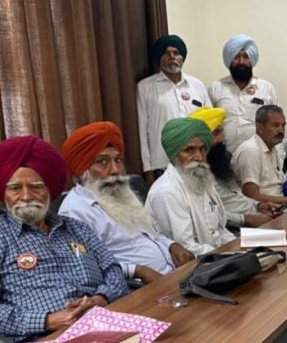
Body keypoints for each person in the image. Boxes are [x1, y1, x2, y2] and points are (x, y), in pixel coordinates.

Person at [0, 136, 128, 343]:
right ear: (4, 193)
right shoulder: (2, 236)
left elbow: (113, 269)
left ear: (49, 190)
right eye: (15, 189)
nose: (26, 196)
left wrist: (101, 298)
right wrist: (47, 321)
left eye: (36, 187)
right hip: (44, 340)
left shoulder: (76, 228)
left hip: (106, 320)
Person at [59, 122, 195, 285]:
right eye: (102, 162)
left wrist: (172, 245)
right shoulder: (74, 211)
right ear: (83, 170)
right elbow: (88, 265)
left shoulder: (123, 194)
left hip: (174, 275)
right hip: (137, 288)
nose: (115, 170)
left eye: (118, 160)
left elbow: (150, 235)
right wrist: (137, 271)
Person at [145, 118, 237, 255]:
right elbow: (186, 247)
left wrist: (239, 247)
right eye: (189, 150)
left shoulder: (203, 181)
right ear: (174, 154)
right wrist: (229, 255)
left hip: (218, 256)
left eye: (202, 149)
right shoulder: (167, 191)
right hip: (196, 263)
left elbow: (220, 231)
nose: (199, 157)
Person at [136, 34, 209, 185]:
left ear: (182, 57)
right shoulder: (145, 87)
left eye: (176, 53)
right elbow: (142, 130)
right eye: (166, 53)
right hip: (162, 164)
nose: (172, 57)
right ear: (159, 58)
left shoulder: (197, 85)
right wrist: (147, 168)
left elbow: (209, 125)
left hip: (195, 162)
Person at [190, 107, 277, 228]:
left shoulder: (221, 160)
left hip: (255, 217)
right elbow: (207, 215)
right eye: (216, 133)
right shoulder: (192, 173)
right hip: (234, 228)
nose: (222, 139)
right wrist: (245, 220)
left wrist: (258, 206)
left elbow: (236, 195)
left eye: (222, 132)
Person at [208, 34, 278, 153]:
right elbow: (209, 126)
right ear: (229, 60)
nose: (241, 62)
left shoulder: (266, 88)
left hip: (257, 156)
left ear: (252, 60)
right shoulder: (216, 88)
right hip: (223, 157)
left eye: (246, 57)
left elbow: (276, 126)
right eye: (236, 57)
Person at [232, 105, 287, 207]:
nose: (281, 130)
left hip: (282, 206)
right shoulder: (250, 151)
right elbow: (252, 196)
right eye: (276, 125)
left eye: (283, 125)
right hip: (265, 210)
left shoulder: (275, 148)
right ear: (260, 128)